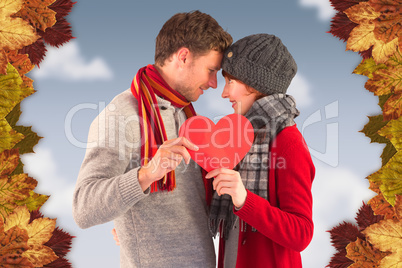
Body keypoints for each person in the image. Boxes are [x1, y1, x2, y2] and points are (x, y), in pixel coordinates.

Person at [72, 10, 232, 268]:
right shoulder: (121, 115)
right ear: (183, 57)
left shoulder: (187, 115)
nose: (214, 83)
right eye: (211, 70)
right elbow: (84, 207)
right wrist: (147, 173)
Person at [206, 34, 315, 268]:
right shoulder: (236, 136)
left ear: (253, 83)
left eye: (230, 81)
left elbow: (301, 233)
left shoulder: (288, 142)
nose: (224, 93)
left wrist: (245, 199)